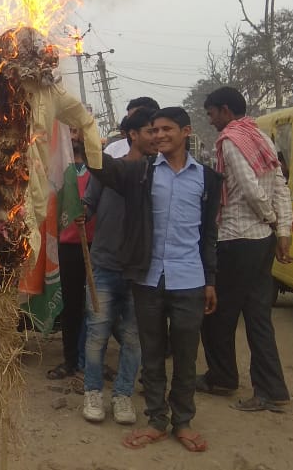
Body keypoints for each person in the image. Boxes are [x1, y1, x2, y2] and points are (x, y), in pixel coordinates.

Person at [89, 106, 221, 453]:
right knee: (151, 354)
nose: (159, 135)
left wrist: (209, 280)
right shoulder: (142, 172)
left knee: (186, 355)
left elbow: (208, 234)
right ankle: (157, 421)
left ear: (186, 131)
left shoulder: (207, 179)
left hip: (189, 280)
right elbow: (104, 168)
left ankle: (183, 421)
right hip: (148, 278)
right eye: (155, 130)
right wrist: (82, 131)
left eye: (167, 129)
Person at [199, 86, 292, 412]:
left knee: (214, 315)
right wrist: (281, 231)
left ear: (224, 110)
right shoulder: (262, 139)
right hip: (262, 243)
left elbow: (253, 191)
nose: (211, 121)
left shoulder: (230, 140)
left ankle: (222, 377)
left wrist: (269, 218)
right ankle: (272, 389)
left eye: (211, 114)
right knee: (258, 317)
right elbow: (281, 186)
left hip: (237, 239)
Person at [79, 109, 155, 425]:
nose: (157, 137)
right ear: (133, 135)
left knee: (134, 337)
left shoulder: (157, 173)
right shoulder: (110, 170)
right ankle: (93, 391)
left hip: (140, 268)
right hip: (104, 264)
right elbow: (90, 202)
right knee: (97, 334)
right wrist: (82, 211)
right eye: (150, 131)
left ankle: (123, 395)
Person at [46, 136, 96, 383]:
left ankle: (91, 362)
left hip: (96, 245)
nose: (74, 135)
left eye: (78, 129)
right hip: (66, 246)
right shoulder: (58, 170)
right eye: (70, 130)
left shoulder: (99, 168)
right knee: (71, 306)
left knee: (95, 307)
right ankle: (71, 359)